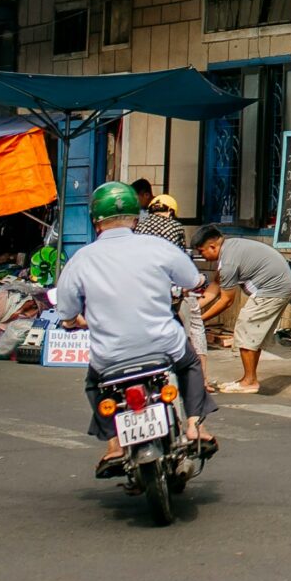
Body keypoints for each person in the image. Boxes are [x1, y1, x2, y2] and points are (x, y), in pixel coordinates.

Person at [50, 182, 210, 471]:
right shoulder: (158, 247)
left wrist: (73, 321)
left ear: (96, 222)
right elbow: (191, 279)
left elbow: (66, 309)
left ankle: (113, 443)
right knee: (190, 365)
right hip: (163, 345)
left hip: (111, 356)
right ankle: (194, 426)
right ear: (136, 218)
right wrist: (199, 283)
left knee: (94, 383)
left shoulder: (81, 259)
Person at [193, 226, 291, 394]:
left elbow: (226, 301)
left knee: (245, 329)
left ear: (213, 246)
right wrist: (194, 309)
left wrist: (199, 320)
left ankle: (249, 381)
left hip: (273, 289)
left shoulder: (228, 262)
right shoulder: (229, 249)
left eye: (202, 251)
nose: (202, 256)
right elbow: (215, 287)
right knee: (252, 333)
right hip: (278, 286)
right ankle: (248, 378)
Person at [134, 191, 205, 356]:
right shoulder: (176, 227)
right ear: (171, 211)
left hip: (140, 285)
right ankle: (199, 370)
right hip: (168, 288)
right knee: (195, 324)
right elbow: (181, 259)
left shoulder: (139, 225)